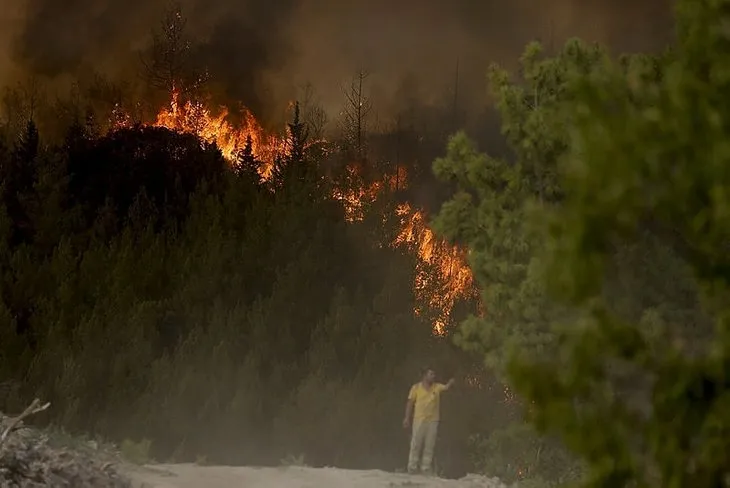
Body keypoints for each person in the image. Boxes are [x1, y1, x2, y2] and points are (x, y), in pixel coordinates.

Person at [402, 367, 455, 475]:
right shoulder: (416, 387)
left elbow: (446, 387)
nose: (433, 377)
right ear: (425, 376)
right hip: (419, 419)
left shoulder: (437, 387)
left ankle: (425, 468)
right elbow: (410, 403)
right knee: (416, 444)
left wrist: (451, 382)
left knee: (429, 445)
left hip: (433, 421)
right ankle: (412, 467)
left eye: (434, 375)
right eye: (430, 374)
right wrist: (407, 418)